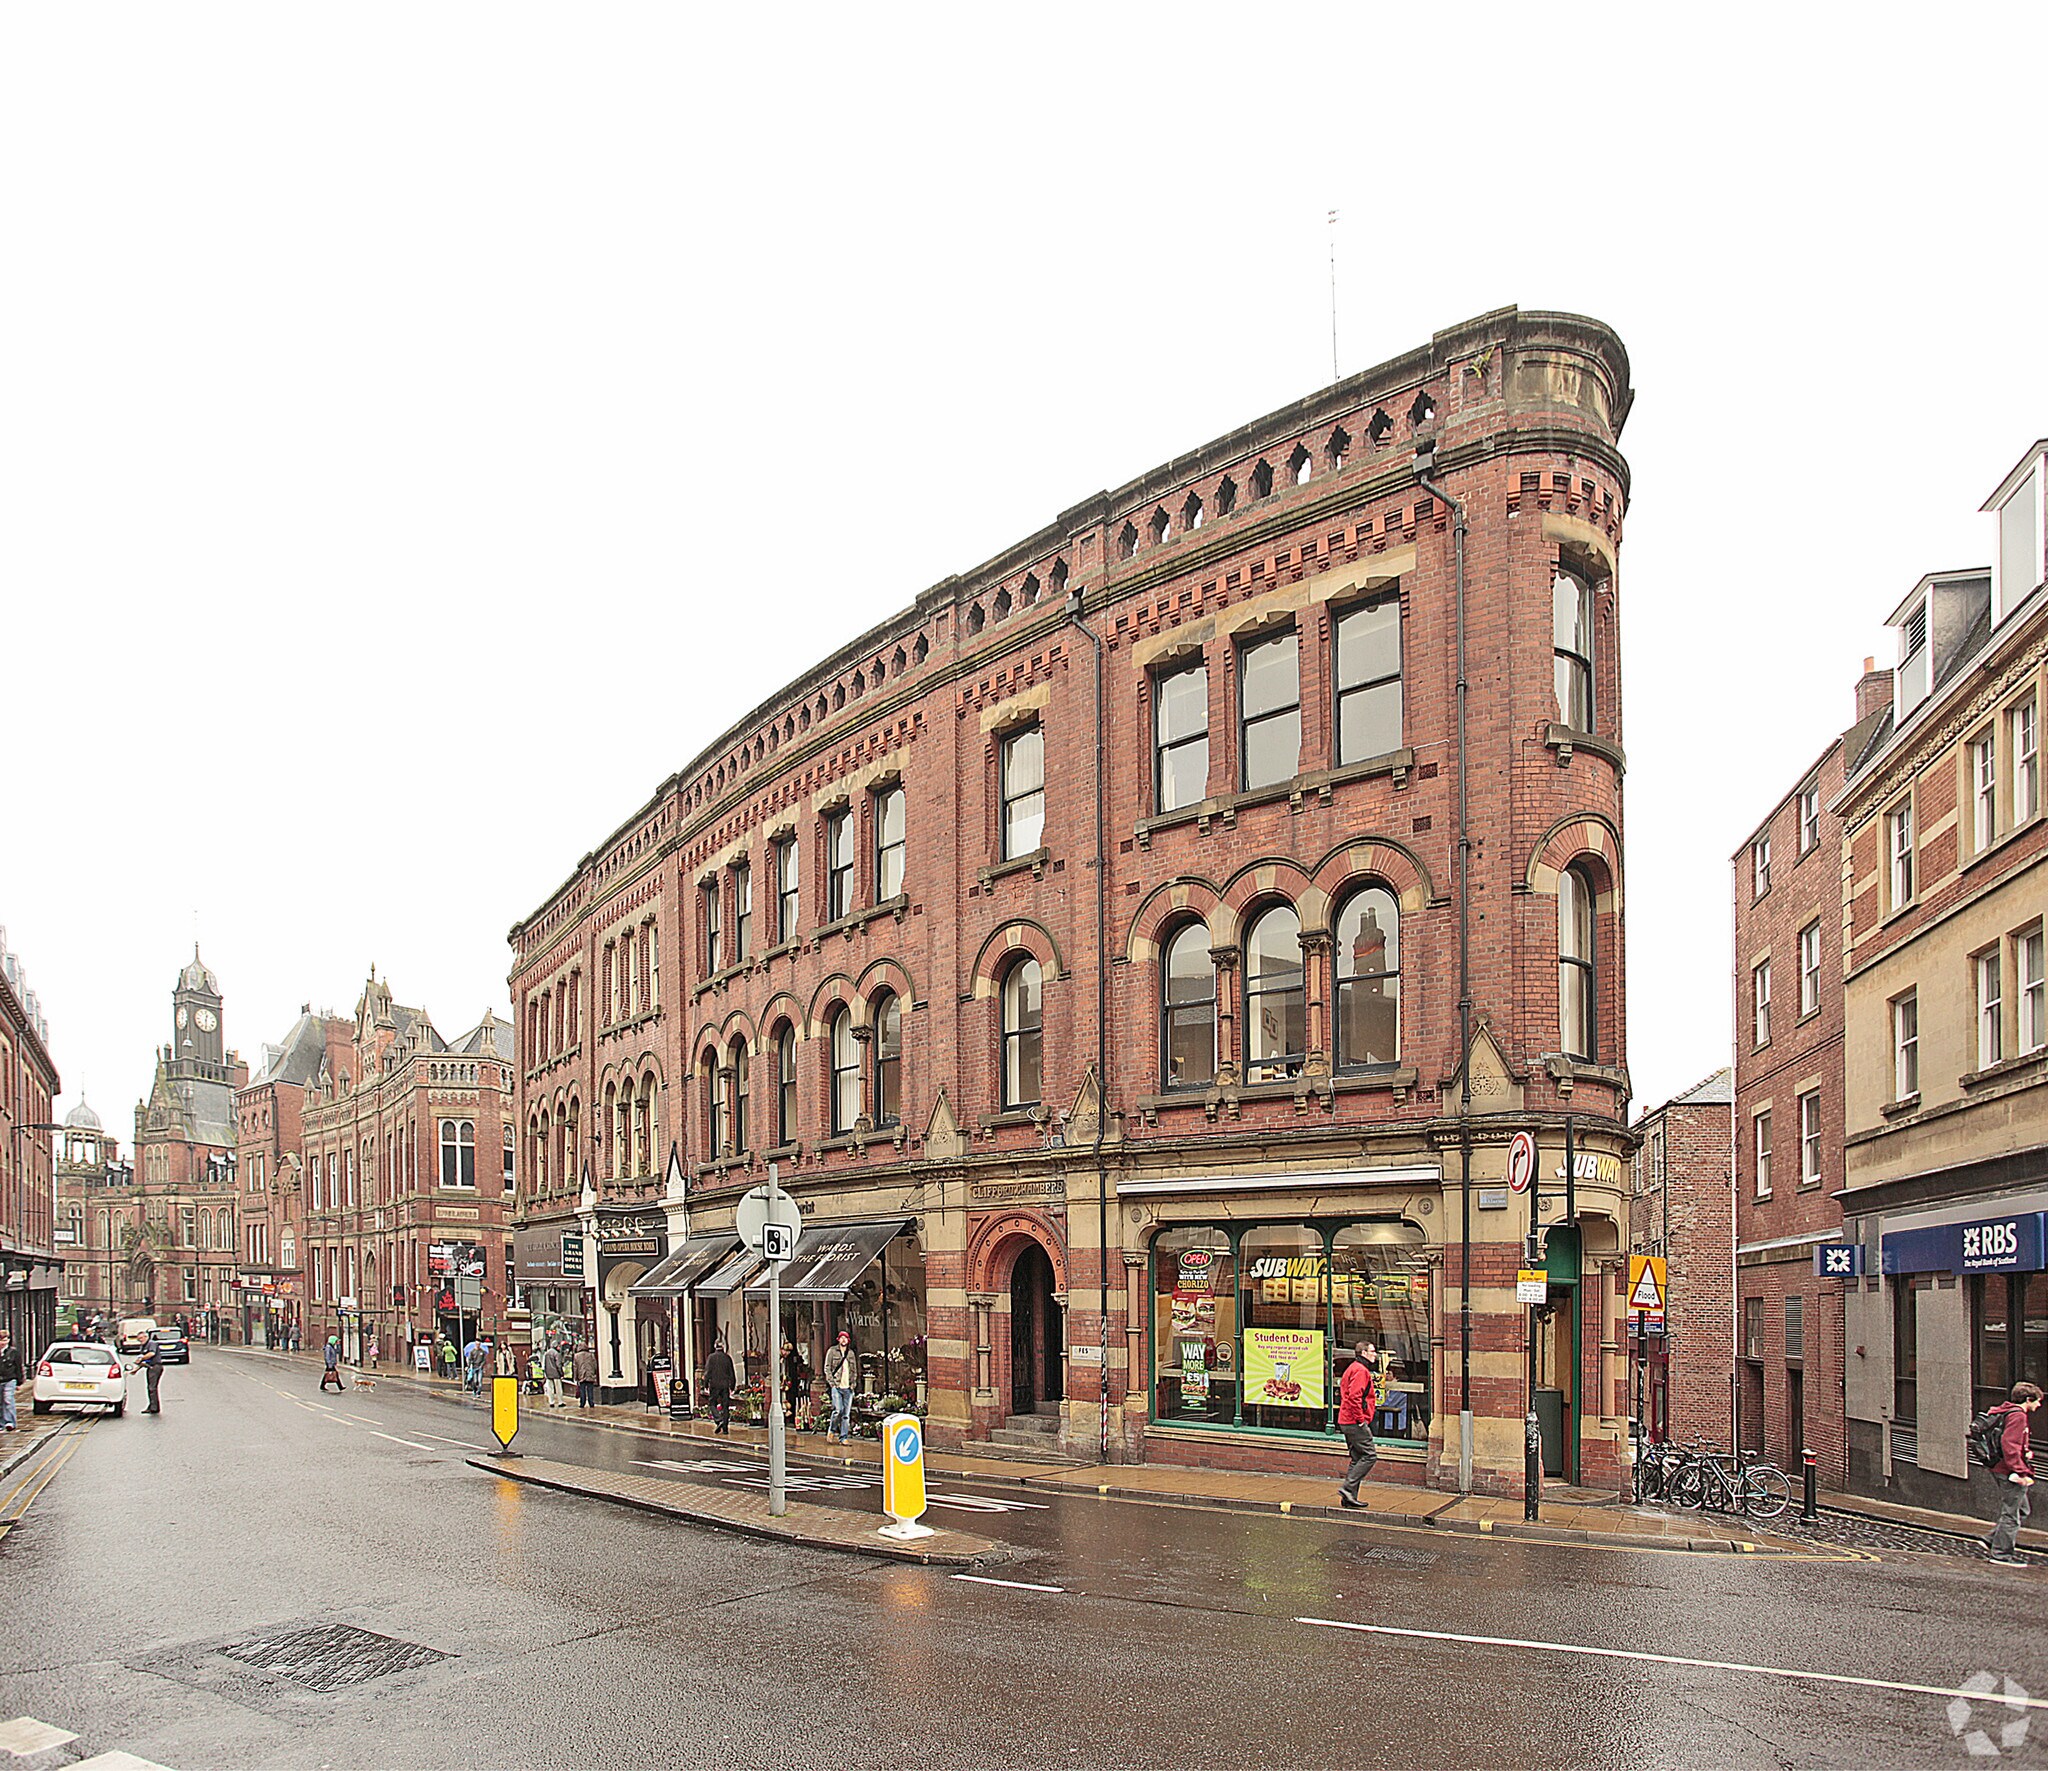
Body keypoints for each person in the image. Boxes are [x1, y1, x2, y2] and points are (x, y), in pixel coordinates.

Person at [1986, 1380, 2042, 1565]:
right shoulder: (2018, 1416)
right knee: (2012, 1514)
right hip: (2009, 1471)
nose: (2039, 1405)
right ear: (2027, 1399)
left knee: (2021, 1509)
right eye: (2036, 1401)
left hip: (2001, 1467)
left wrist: (2025, 1452)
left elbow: (2013, 1443)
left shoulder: (2006, 1411)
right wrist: (2020, 1471)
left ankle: (1992, 1539)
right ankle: (2001, 1555)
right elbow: (2009, 1444)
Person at [1335, 1340, 1380, 1509]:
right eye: (1372, 1351)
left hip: (1347, 1420)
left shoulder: (1353, 1368)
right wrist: (1361, 1420)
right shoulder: (1361, 1371)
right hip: (1354, 1422)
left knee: (1357, 1458)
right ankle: (1347, 1489)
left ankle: (1349, 1498)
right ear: (1364, 1353)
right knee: (1369, 1455)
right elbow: (1354, 1397)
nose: (1375, 1354)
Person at [823, 1330, 858, 1445]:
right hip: (837, 1386)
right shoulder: (832, 1351)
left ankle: (843, 1437)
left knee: (846, 1415)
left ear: (848, 1341)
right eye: (841, 1338)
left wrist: (853, 1384)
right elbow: (827, 1368)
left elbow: (854, 1370)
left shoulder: (851, 1353)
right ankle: (832, 1430)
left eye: (845, 1338)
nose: (843, 1340)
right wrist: (832, 1383)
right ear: (838, 1339)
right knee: (838, 1410)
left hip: (848, 1387)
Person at [704, 1337, 736, 1435]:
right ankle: (725, 1429)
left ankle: (719, 1419)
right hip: (725, 1385)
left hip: (714, 1385)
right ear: (723, 1347)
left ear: (715, 1346)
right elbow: (732, 1373)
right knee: (725, 1406)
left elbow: (708, 1372)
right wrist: (732, 1386)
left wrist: (705, 1384)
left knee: (712, 1403)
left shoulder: (711, 1357)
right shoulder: (727, 1358)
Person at [0, 1328, 23, 1432]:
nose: (3, 1343)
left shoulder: (13, 1353)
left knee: (8, 1399)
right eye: (1, 1340)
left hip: (10, 1379)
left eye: (5, 1340)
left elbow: (18, 1367)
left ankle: (10, 1422)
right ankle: (1, 1424)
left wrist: (19, 1382)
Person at [140, 1333, 165, 1413]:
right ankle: (152, 1405)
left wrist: (142, 1358)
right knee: (150, 1387)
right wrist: (135, 1370)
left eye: (142, 1338)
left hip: (155, 1367)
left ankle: (154, 1408)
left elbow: (152, 1354)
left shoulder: (152, 1344)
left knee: (152, 1388)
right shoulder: (142, 1346)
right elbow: (143, 1361)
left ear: (146, 1337)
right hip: (149, 1367)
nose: (141, 1340)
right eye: (139, 1339)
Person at [542, 1340, 565, 1408]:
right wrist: (561, 1373)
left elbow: (545, 1364)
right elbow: (558, 1365)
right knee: (558, 1389)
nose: (559, 1347)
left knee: (550, 1389)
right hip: (556, 1374)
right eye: (558, 1346)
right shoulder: (556, 1354)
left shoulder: (546, 1353)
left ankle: (551, 1401)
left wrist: (546, 1372)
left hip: (548, 1373)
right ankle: (560, 1401)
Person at [574, 1343, 598, 1409]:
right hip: (590, 1374)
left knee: (582, 1390)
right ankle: (591, 1403)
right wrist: (594, 1373)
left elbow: (575, 1367)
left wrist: (575, 1377)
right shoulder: (591, 1355)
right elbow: (595, 1365)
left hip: (581, 1375)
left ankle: (582, 1403)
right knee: (590, 1389)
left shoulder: (576, 1356)